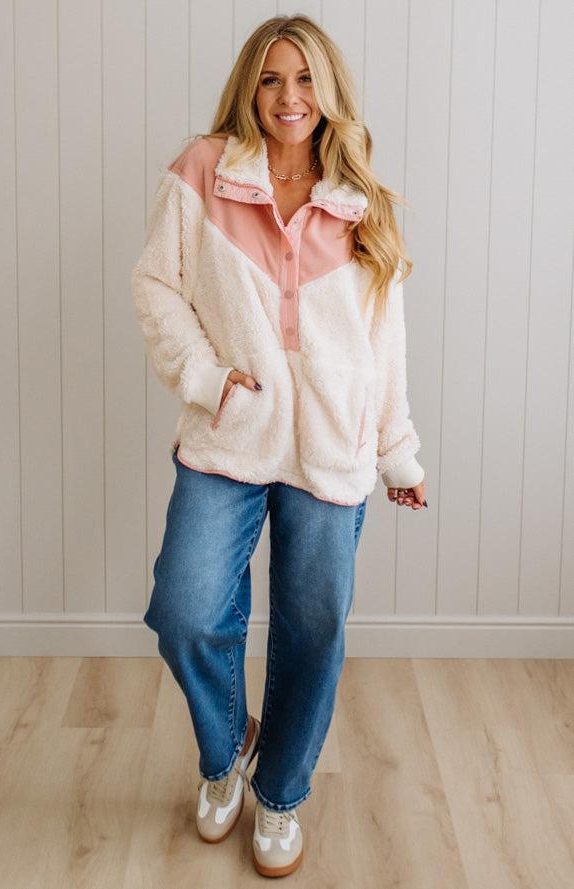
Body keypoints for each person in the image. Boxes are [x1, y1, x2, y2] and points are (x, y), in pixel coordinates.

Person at [131, 13, 427, 879]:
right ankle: (226, 757)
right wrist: (208, 378)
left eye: (303, 80)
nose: (287, 97)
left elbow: (384, 344)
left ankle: (280, 795)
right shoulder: (202, 171)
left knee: (311, 627)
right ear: (248, 89)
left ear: (327, 92)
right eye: (270, 79)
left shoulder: (359, 202)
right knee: (184, 609)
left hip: (333, 444)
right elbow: (155, 287)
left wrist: (396, 450)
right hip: (230, 433)